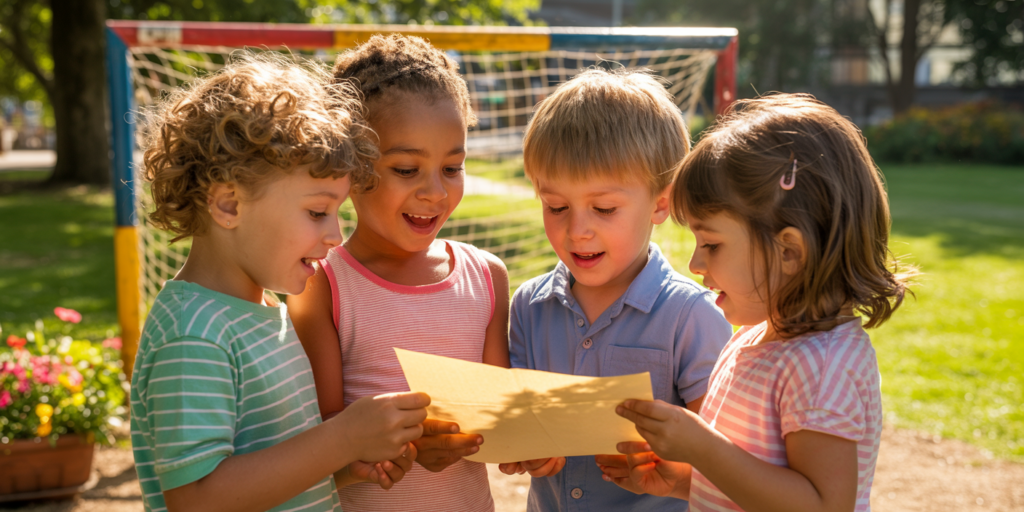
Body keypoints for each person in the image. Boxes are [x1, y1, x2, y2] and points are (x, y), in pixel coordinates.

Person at [129, 52, 431, 512]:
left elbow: (266, 466)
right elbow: (196, 499)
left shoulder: (262, 310)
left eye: (337, 213)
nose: (334, 235)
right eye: (316, 212)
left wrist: (346, 466)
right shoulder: (194, 335)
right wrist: (342, 437)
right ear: (229, 205)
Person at [602, 93, 915, 512]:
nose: (695, 264)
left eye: (711, 244)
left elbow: (822, 504)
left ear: (789, 252)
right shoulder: (754, 336)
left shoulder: (821, 365)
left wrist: (703, 448)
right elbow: (755, 480)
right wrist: (682, 480)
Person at [288, 34, 510, 512]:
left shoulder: (487, 277)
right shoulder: (321, 285)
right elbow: (320, 444)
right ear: (351, 163)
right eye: (407, 169)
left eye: (453, 167)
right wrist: (408, 447)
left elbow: (499, 422)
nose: (435, 192)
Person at [497, 68, 733, 511]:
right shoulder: (528, 306)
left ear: (661, 203)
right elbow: (519, 426)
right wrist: (524, 447)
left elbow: (724, 458)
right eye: (556, 206)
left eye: (603, 208)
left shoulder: (692, 316)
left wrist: (668, 466)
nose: (577, 231)